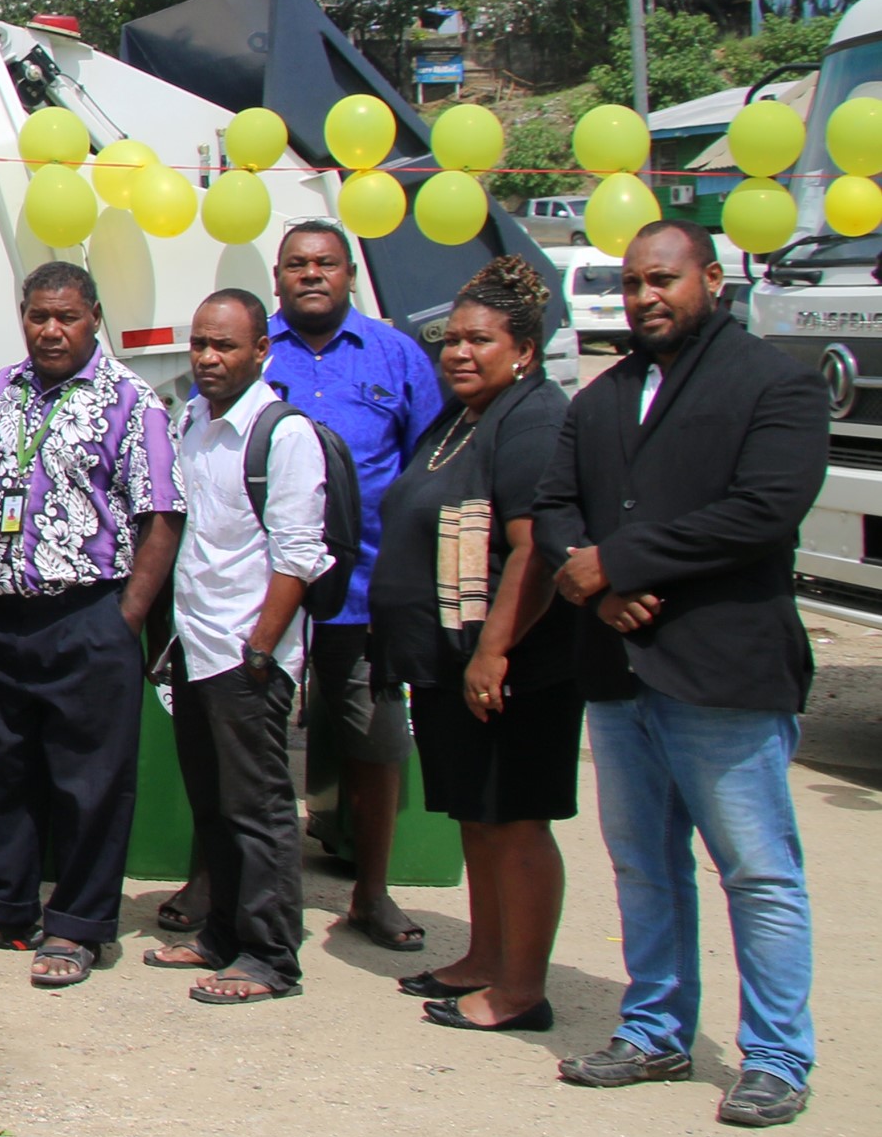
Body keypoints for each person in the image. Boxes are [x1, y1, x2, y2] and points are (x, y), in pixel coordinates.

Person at [534, 220, 821, 1128]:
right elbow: (555, 508)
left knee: (758, 871)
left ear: (712, 278)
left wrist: (619, 562)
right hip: (620, 671)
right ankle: (654, 1027)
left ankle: (777, 1055)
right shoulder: (603, 395)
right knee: (644, 866)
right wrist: (595, 585)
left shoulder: (776, 382)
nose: (645, 297)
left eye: (663, 279)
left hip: (723, 671)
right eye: (631, 284)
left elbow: (765, 509)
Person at [0, 261, 182, 990]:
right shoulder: (0, 391)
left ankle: (79, 924)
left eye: (67, 317)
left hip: (89, 614)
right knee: (0, 767)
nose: (51, 330)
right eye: (38, 316)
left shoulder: (131, 400)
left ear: (94, 318)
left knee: (90, 781)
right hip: (2, 613)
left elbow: (161, 518)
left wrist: (127, 619)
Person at [368, 256, 576, 1034]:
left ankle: (521, 988)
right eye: (450, 339)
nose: (457, 352)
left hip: (511, 667)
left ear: (523, 348)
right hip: (450, 663)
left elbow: (533, 548)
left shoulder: (532, 419)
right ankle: (485, 957)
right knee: (477, 815)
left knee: (515, 817)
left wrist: (493, 651)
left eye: (478, 340)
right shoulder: (466, 416)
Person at [225, 221, 441, 951]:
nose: (311, 275)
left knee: (374, 743)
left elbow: (427, 474)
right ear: (277, 276)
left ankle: (371, 891)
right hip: (262, 593)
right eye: (296, 264)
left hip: (363, 591)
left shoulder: (396, 356)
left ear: (349, 272)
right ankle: (217, 879)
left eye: (325, 263)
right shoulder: (252, 351)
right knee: (241, 741)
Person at [135, 290, 327, 1005]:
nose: (209, 358)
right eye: (200, 345)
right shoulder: (193, 420)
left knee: (261, 807)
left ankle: (271, 956)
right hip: (195, 645)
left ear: (260, 352)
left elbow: (299, 556)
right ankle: (221, 933)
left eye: (225, 346)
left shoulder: (283, 434)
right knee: (212, 801)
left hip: (246, 656)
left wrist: (260, 650)